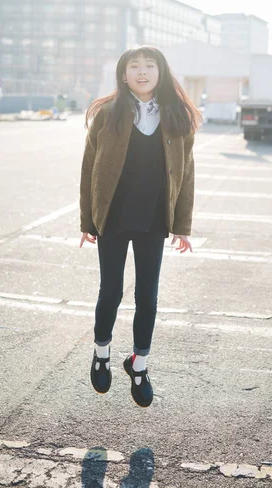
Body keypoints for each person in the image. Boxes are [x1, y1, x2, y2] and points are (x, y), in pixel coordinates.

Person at [79, 45, 202, 407]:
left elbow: (187, 173)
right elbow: (89, 168)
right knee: (111, 292)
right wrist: (88, 221)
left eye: (150, 66)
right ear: (123, 73)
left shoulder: (176, 114)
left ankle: (139, 364)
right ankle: (102, 354)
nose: (143, 72)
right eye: (135, 66)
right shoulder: (108, 113)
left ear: (161, 73)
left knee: (147, 297)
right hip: (113, 216)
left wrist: (182, 226)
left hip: (153, 219)